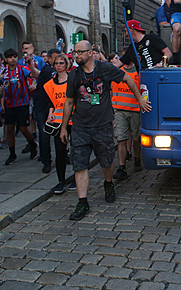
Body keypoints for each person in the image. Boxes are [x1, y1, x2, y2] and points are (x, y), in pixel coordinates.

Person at [60, 40, 151, 221]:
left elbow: (128, 79)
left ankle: (108, 183)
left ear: (90, 53)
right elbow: (69, 102)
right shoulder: (74, 76)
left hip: (102, 125)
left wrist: (140, 99)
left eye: (79, 52)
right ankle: (82, 201)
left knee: (106, 161)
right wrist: (64, 127)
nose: (76, 56)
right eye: (74, 52)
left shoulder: (104, 69)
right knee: (80, 164)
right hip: (80, 127)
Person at [2, 48, 39, 165]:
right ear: (6, 59)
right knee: (10, 129)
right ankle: (12, 153)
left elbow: (33, 75)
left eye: (14, 57)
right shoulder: (3, 72)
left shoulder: (22, 69)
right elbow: (0, 88)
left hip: (22, 103)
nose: (12, 59)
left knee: (23, 128)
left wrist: (30, 64)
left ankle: (32, 144)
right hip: (9, 104)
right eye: (10, 57)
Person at [44, 53, 72, 194]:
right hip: (59, 122)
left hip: (74, 120)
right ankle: (61, 181)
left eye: (62, 63)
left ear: (66, 65)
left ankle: (76, 177)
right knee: (60, 152)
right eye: (56, 63)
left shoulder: (73, 80)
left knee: (77, 150)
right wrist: (50, 112)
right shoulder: (50, 84)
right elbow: (51, 101)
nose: (59, 65)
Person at [111, 61, 142, 180]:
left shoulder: (138, 71)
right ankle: (122, 167)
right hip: (119, 110)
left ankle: (137, 159)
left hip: (135, 110)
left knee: (136, 138)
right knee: (121, 139)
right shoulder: (117, 71)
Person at [32, 48, 61, 173]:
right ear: (49, 59)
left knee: (58, 134)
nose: (59, 63)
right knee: (44, 134)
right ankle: (46, 161)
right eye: (56, 60)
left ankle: (62, 157)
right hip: (42, 106)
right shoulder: (48, 70)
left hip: (54, 106)